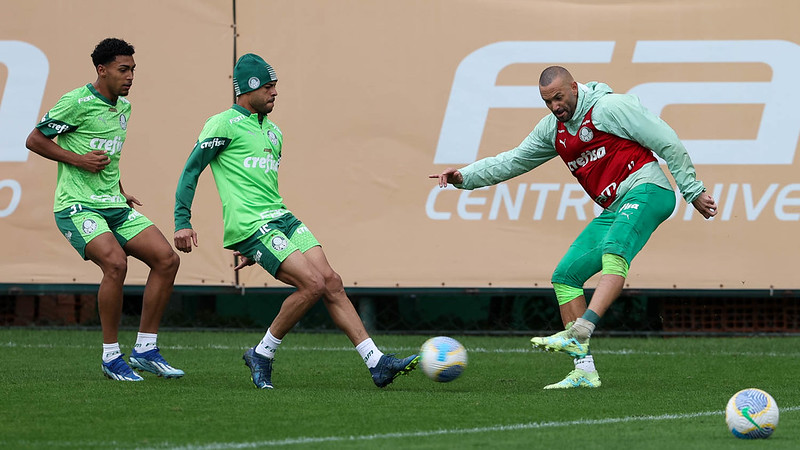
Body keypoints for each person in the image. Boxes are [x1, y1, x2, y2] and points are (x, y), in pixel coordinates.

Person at [431, 66, 717, 389]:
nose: (555, 106)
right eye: (547, 101)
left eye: (559, 97)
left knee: (614, 252)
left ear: (574, 87)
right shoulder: (553, 130)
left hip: (649, 190)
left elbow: (667, 140)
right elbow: (512, 160)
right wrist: (464, 178)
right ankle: (584, 371)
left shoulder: (609, 108)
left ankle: (583, 329)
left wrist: (692, 191)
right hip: (615, 206)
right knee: (565, 276)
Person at [173, 53, 418, 389]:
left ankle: (377, 363)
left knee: (331, 280)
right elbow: (191, 171)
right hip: (251, 226)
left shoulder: (274, 133)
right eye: (269, 87)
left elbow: (259, 186)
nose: (275, 93)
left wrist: (260, 249)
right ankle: (262, 353)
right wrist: (182, 221)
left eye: (276, 87)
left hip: (281, 219)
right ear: (248, 88)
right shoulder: (221, 124)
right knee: (312, 285)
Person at [25, 38, 183, 381]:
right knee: (115, 263)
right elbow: (34, 140)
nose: (130, 77)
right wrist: (78, 160)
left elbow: (108, 157)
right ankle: (111, 356)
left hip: (112, 204)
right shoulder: (76, 102)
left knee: (167, 259)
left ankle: (144, 349)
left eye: (133, 71)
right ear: (102, 70)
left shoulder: (123, 108)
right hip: (77, 206)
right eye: (123, 70)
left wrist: (121, 190)